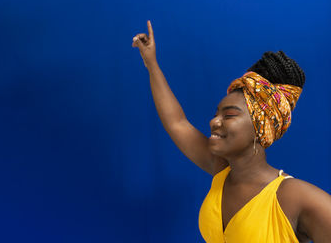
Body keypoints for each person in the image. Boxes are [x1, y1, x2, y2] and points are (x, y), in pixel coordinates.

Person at [132, 20, 331, 242]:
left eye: (229, 115)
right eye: (216, 113)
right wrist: (152, 64)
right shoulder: (221, 171)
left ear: (260, 127)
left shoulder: (293, 197)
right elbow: (177, 123)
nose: (214, 122)